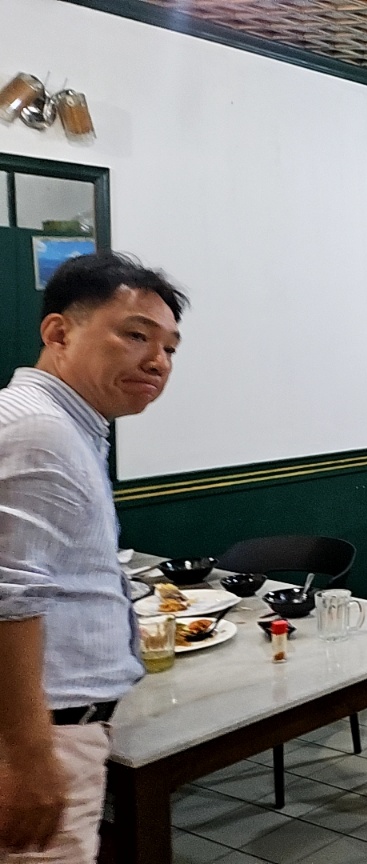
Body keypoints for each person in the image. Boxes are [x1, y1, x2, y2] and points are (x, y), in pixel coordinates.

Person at [0, 252, 186, 862]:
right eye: (135, 336)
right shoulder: (40, 431)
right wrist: (29, 759)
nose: (157, 361)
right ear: (58, 333)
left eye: (169, 348)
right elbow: (8, 599)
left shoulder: (59, 423)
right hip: (45, 730)